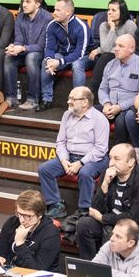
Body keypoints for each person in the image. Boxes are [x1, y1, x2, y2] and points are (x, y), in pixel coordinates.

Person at [39, 87, 109, 218]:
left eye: (73, 99)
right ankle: (55, 205)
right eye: (69, 98)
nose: (68, 101)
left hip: (94, 159)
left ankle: (84, 209)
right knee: (45, 169)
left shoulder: (99, 119)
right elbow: (61, 142)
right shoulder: (67, 115)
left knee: (85, 173)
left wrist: (80, 163)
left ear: (85, 102)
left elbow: (100, 149)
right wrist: (64, 160)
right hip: (70, 156)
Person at [76, 144, 139, 260]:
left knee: (114, 233)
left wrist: (103, 218)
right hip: (109, 221)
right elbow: (94, 209)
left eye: (117, 159)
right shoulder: (107, 174)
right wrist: (105, 184)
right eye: (110, 158)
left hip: (132, 227)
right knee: (84, 224)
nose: (112, 163)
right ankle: (90, 265)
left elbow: (132, 217)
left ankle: (109, 268)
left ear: (131, 162)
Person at [37, 0, 97, 112]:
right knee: (46, 62)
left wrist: (59, 62)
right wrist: (50, 60)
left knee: (77, 64)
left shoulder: (81, 26)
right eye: (54, 9)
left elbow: (79, 54)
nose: (54, 13)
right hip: (65, 55)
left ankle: (78, 102)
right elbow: (49, 48)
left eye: (58, 10)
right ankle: (46, 100)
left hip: (87, 56)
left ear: (68, 12)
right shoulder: (52, 25)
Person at [3, 0, 52, 110]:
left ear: (38, 4)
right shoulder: (20, 17)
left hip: (41, 53)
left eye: (28, 2)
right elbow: (19, 39)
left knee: (31, 57)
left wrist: (22, 48)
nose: (24, 5)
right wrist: (14, 47)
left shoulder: (47, 18)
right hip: (24, 50)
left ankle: (32, 99)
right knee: (9, 57)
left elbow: (41, 46)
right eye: (23, 1)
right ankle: (11, 97)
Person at [98, 34, 139, 144]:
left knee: (121, 121)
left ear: (132, 49)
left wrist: (120, 107)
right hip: (110, 104)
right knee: (90, 112)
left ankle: (119, 151)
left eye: (121, 46)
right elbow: (102, 89)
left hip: (129, 106)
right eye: (115, 45)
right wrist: (106, 104)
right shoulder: (110, 64)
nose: (116, 49)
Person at [89, 0, 137, 100]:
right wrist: (112, 29)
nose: (109, 12)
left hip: (126, 57)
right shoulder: (103, 26)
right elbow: (106, 48)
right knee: (106, 56)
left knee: (105, 56)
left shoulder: (130, 25)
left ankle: (90, 90)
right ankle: (91, 93)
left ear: (122, 12)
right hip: (109, 57)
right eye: (109, 9)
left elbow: (127, 49)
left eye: (113, 10)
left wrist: (99, 50)